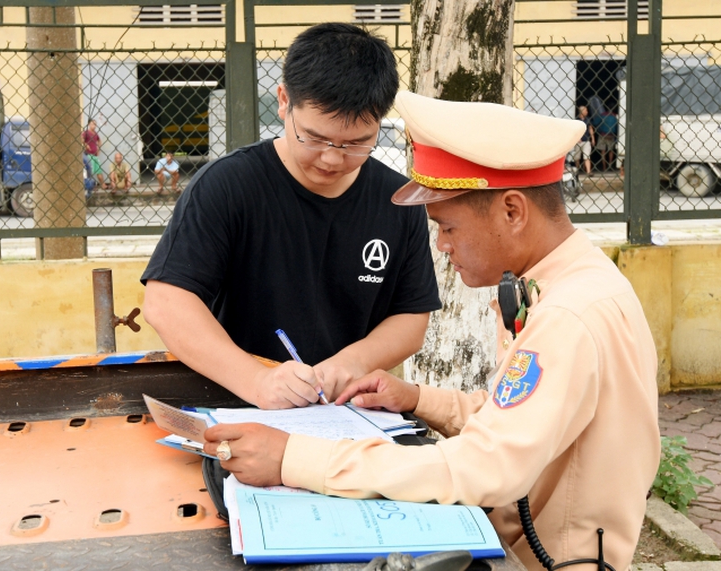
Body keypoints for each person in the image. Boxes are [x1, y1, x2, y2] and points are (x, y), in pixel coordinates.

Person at [203, 92, 660, 571]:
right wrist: (416, 398)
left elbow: (488, 465)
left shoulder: (570, 314)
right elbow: (521, 420)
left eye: (447, 226)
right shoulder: (569, 284)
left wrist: (295, 458)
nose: (440, 245)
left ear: (512, 211)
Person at [141, 24, 441, 410]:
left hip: (345, 414)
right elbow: (166, 303)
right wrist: (258, 381)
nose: (333, 158)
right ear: (284, 102)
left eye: (357, 144)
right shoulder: (229, 186)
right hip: (238, 406)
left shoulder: (398, 200)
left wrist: (351, 363)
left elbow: (411, 317)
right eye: (314, 138)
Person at [82, 119, 107, 189]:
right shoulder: (86, 132)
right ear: (89, 124)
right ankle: (89, 186)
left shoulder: (95, 134)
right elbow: (81, 139)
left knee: (99, 170)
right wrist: (86, 144)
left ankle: (103, 185)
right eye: (92, 124)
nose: (94, 126)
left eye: (95, 124)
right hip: (88, 155)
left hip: (95, 155)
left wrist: (98, 148)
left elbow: (99, 141)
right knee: (89, 171)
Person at [575, 105, 595, 175]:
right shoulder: (576, 120)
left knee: (587, 156)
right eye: (586, 110)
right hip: (578, 141)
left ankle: (588, 171)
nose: (587, 112)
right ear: (582, 111)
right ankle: (576, 170)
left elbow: (590, 129)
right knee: (577, 157)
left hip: (586, 140)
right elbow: (575, 130)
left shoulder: (588, 119)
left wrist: (592, 138)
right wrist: (577, 138)